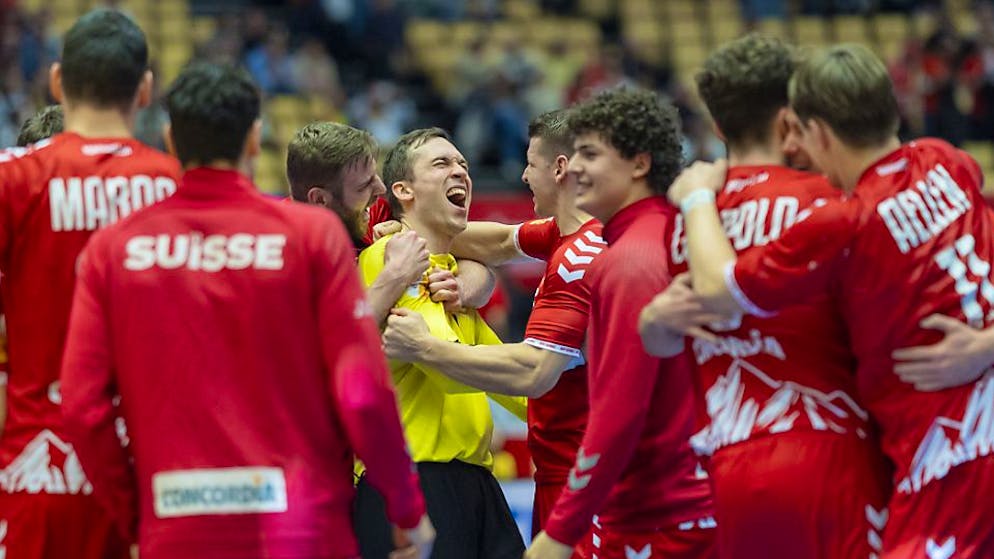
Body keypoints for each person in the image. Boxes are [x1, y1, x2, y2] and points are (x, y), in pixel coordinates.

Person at [59, 62, 433, 559]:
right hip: (301, 528)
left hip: (177, 528)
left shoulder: (114, 249)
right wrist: (406, 509)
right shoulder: (311, 237)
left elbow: (83, 409)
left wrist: (135, 515)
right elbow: (361, 393)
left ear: (171, 141)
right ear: (255, 139)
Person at [664, 44, 994, 558]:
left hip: (951, 454)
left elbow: (717, 291)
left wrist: (697, 198)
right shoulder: (949, 162)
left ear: (814, 131)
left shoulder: (845, 221)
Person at [638, 34, 891, 559]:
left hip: (729, 468)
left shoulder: (685, 222)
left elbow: (666, 341)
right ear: (790, 120)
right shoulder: (833, 201)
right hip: (831, 451)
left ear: (716, 126)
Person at [0, 10, 179, 559]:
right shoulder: (179, 189)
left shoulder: (13, 177)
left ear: (57, 81)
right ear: (145, 90)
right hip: (156, 478)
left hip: (38, 476)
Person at [382, 109, 601, 536]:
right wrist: (459, 273)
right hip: (562, 470)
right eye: (444, 163)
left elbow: (533, 372)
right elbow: (497, 242)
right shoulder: (569, 236)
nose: (522, 177)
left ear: (559, 169)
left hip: (584, 475)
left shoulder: (578, 257)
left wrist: (424, 346)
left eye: (530, 164)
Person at [526, 88, 715, 559]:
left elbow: (618, 413)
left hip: (659, 518)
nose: (575, 168)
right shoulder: (671, 235)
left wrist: (560, 531)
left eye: (590, 154)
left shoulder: (627, 261)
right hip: (688, 504)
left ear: (639, 164)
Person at [354, 127, 526, 559]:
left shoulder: (449, 275)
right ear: (404, 190)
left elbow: (513, 382)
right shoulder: (392, 256)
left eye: (464, 165)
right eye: (442, 164)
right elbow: (447, 366)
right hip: (413, 482)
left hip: (475, 482)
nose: (461, 172)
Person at [285, 121, 494, 324]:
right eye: (364, 185)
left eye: (374, 175)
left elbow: (480, 267)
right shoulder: (281, 251)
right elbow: (334, 336)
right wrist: (396, 275)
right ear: (320, 199)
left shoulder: (371, 213)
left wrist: (459, 288)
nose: (380, 189)